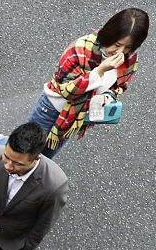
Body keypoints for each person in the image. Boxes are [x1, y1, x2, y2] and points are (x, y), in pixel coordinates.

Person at [28, 9, 148, 157]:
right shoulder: (79, 49)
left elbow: (119, 87)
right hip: (52, 109)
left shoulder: (129, 59)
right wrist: (100, 70)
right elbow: (67, 90)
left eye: (128, 47)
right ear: (109, 34)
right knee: (24, 153)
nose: (120, 52)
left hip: (74, 116)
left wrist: (108, 96)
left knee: (44, 159)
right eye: (117, 45)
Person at [0, 123, 68, 250]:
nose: (8, 166)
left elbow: (44, 223)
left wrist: (26, 244)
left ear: (36, 159)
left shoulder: (55, 185)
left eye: (17, 163)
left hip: (10, 245)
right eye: (6, 157)